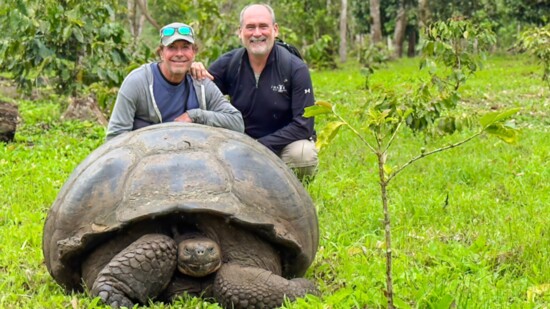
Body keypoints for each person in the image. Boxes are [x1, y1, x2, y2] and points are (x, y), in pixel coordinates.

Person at [190, 4, 318, 181]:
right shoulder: (230, 63)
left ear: (275, 30)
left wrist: (259, 147)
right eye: (250, 27)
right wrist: (193, 70)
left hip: (281, 146)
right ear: (240, 32)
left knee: (303, 154)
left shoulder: (294, 68)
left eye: (263, 26)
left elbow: (303, 126)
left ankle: (293, 192)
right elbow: (200, 95)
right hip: (239, 145)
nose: (257, 33)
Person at [106, 22, 244, 141]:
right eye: (171, 47)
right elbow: (115, 136)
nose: (179, 54)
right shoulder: (137, 82)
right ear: (161, 52)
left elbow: (237, 123)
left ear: (194, 52)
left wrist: (195, 116)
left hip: (191, 157)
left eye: (185, 47)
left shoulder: (201, 83)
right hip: (146, 159)